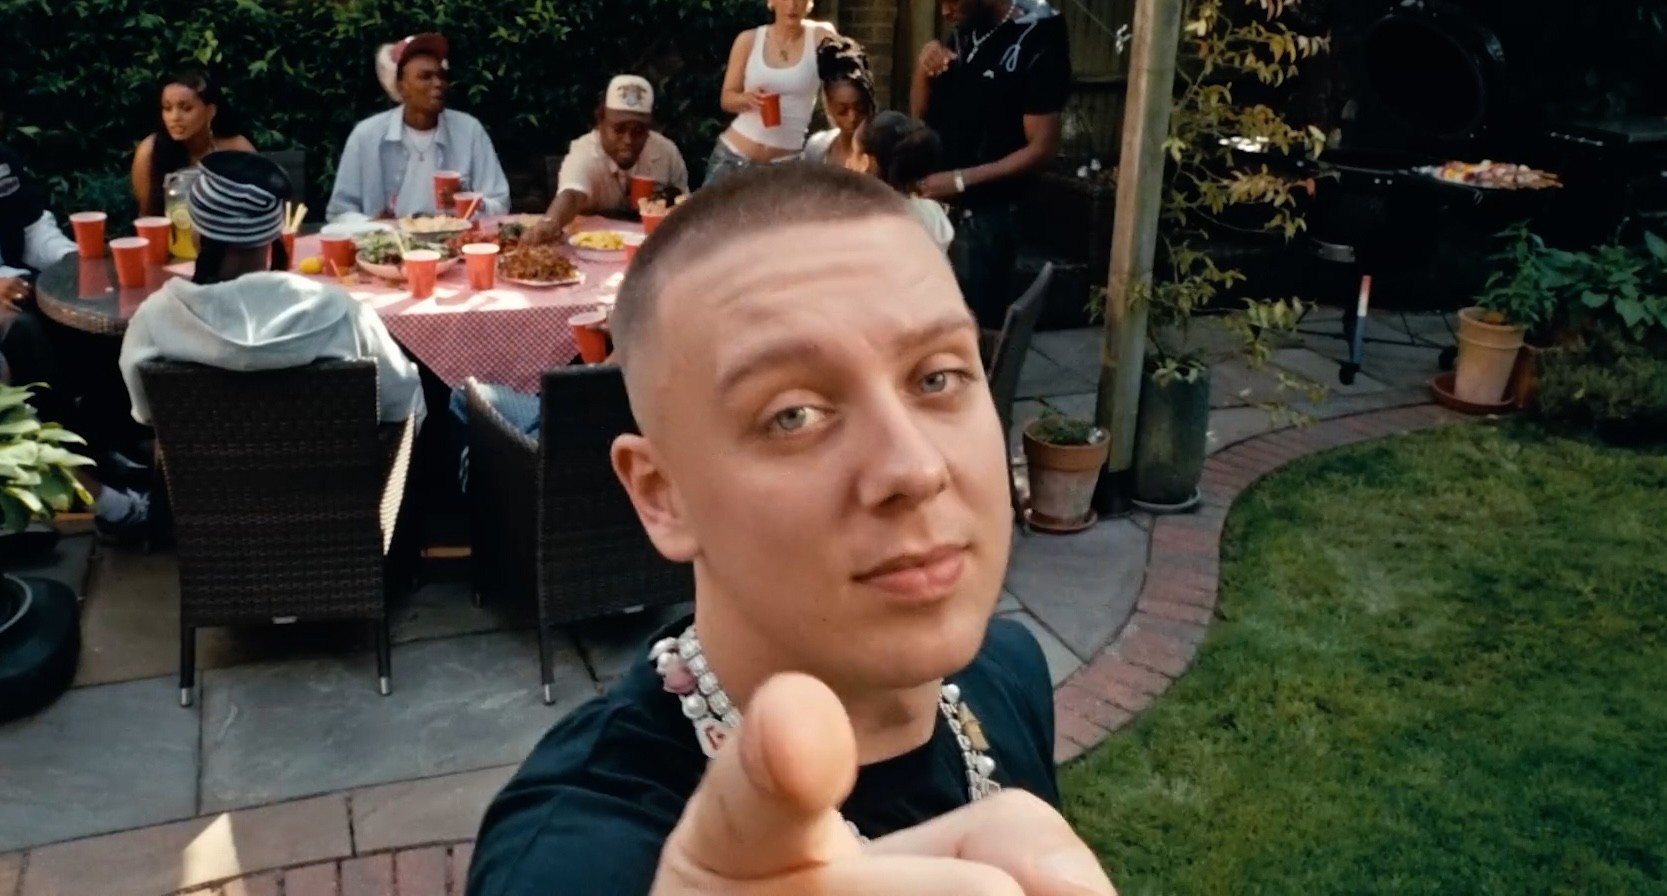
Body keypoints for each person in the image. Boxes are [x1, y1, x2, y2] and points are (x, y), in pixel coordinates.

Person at [466, 163, 1117, 896]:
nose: (914, 467)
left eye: (937, 377)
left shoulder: (1006, 669)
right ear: (662, 496)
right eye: (792, 415)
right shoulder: (573, 851)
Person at [120, 151, 426, 431]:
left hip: (197, 476)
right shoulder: (345, 314)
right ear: (275, 235)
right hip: (339, 475)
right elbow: (402, 402)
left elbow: (146, 412)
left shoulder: (156, 318)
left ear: (197, 236)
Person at [0, 144, 150, 539]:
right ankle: (74, 462)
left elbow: (34, 231)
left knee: (91, 313)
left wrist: (78, 258)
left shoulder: (5, 162)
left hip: (20, 282)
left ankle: (108, 443)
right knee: (26, 334)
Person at [912, 0, 1071, 329]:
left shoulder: (1039, 40)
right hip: (939, 209)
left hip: (991, 218)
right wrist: (923, 68)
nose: (944, 12)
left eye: (952, 1)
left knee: (974, 327)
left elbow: (1042, 147)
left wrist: (961, 179)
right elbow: (921, 114)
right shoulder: (966, 30)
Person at [326, 33, 510, 222]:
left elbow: (500, 203)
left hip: (455, 239)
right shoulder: (366, 136)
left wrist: (466, 202)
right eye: (425, 77)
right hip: (388, 240)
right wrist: (371, 225)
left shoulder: (469, 131)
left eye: (441, 76)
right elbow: (339, 212)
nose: (438, 83)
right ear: (401, 86)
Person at [524, 76, 690, 246]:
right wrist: (551, 222)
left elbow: (686, 207)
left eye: (638, 131)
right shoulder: (585, 153)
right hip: (590, 250)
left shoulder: (666, 152)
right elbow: (572, 194)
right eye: (619, 129)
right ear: (600, 122)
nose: (628, 140)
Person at [704, 0, 838, 186]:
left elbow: (841, 86)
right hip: (734, 158)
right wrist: (746, 99)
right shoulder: (748, 40)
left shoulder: (820, 36)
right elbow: (727, 99)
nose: (792, 5)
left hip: (784, 167)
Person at [130, 70, 257, 219]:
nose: (175, 117)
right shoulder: (150, 151)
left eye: (186, 108)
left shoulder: (236, 148)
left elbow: (263, 204)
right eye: (167, 108)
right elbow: (147, 215)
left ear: (210, 111)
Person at [849, 111, 955, 252]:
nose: (848, 161)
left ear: (865, 162)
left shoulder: (856, 219)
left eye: (853, 152)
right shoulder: (932, 212)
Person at [803, 36, 875, 169]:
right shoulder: (816, 149)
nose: (852, 117)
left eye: (860, 108)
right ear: (827, 104)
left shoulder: (883, 153)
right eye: (842, 110)